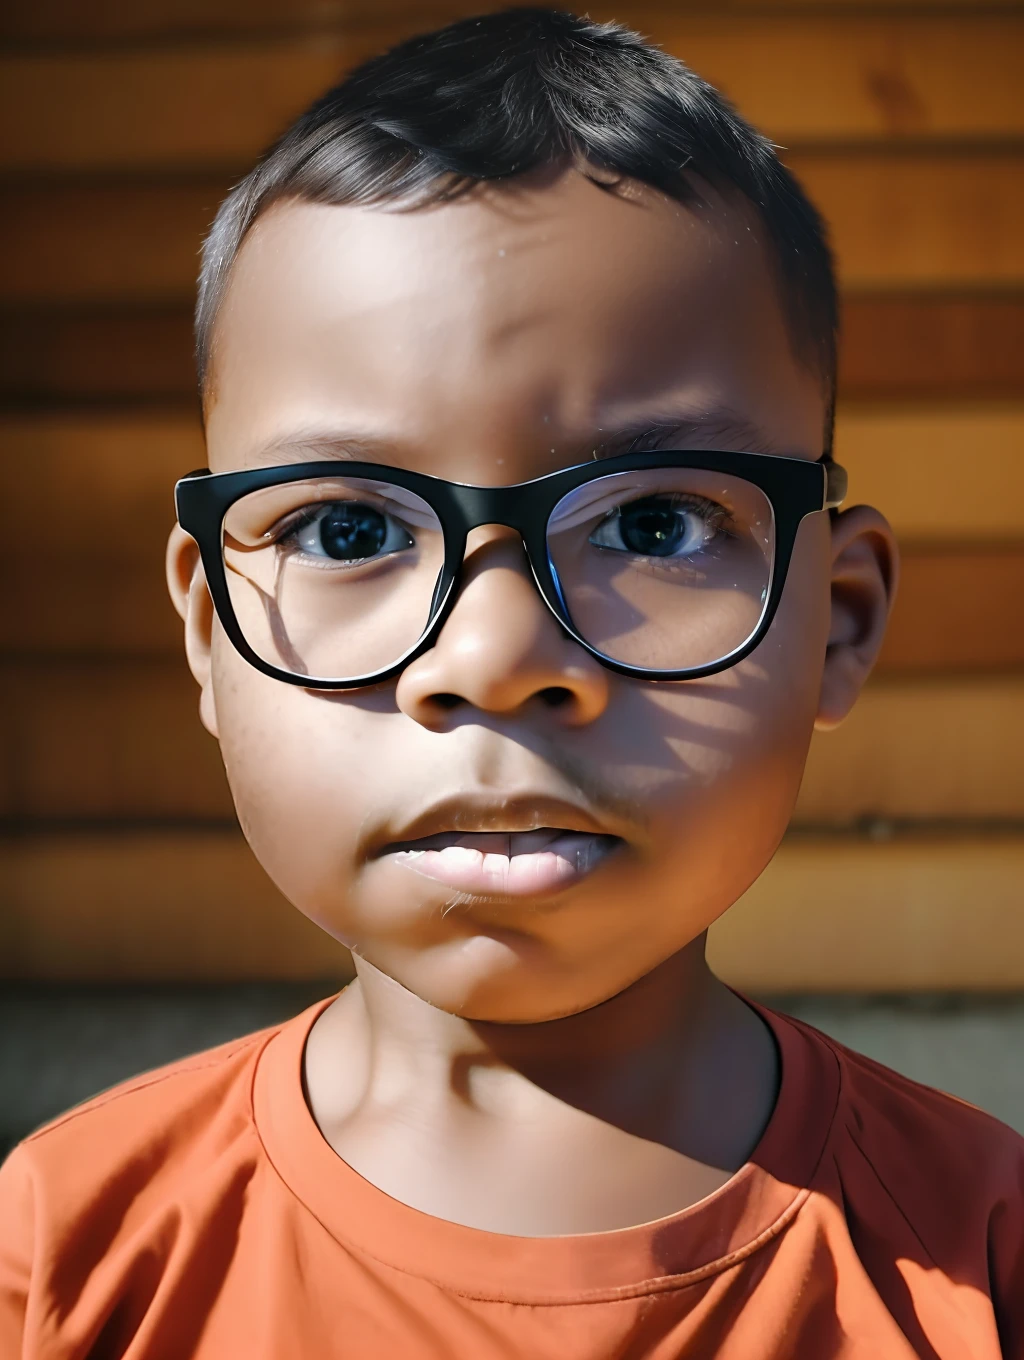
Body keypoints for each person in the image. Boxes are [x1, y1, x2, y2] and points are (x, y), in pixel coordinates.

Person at [1, 8, 1021, 1357]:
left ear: (835, 619)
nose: (493, 660)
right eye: (348, 530)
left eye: (654, 525)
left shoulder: (987, 1265)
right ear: (209, 631)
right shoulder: (59, 1258)